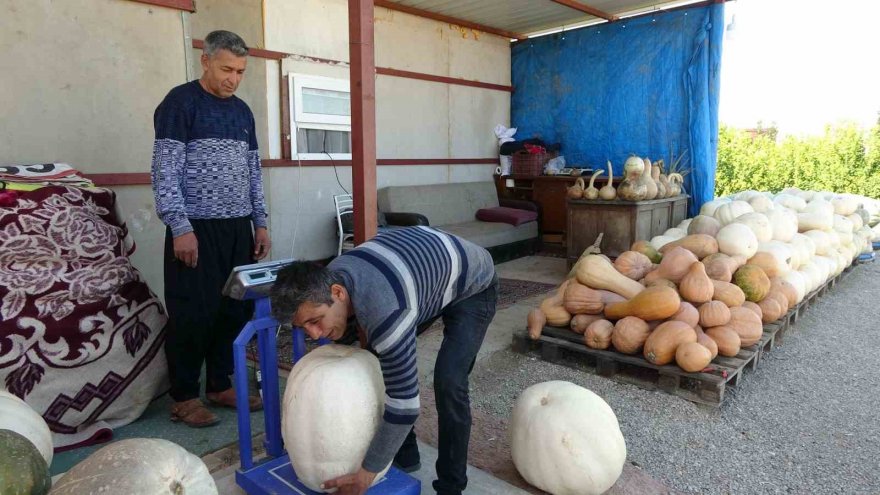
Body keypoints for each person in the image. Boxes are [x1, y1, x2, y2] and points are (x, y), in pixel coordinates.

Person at [270, 226, 498, 495]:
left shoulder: (387, 312)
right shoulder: (334, 277)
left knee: (449, 382)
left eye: (315, 321)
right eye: (303, 328)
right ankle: (406, 451)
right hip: (421, 274)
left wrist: (367, 474)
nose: (315, 335)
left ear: (338, 293)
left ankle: (451, 487)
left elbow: (406, 405)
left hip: (474, 282)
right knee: (385, 357)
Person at [151, 30, 270, 428]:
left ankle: (220, 384)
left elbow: (253, 171)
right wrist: (180, 226)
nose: (233, 79)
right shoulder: (179, 103)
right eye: (226, 69)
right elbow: (165, 171)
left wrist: (260, 223)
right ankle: (184, 396)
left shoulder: (242, 112)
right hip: (195, 230)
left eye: (240, 71)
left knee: (232, 309)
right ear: (205, 60)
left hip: (238, 228)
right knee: (192, 314)